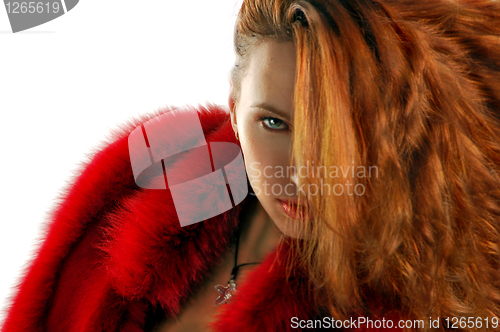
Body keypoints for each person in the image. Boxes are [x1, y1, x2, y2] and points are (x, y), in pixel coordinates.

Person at [3, 0, 500, 331]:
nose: (305, 172)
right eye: (274, 124)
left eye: (344, 133)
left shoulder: (425, 301)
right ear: (236, 110)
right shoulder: (148, 173)